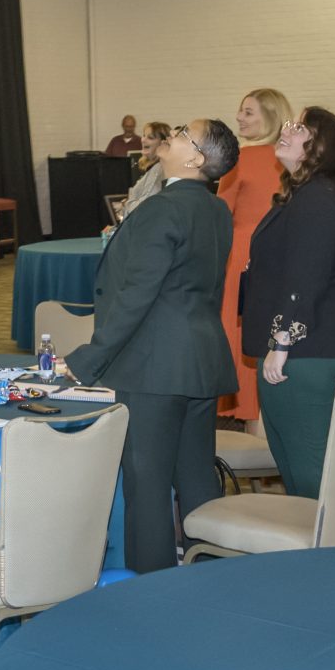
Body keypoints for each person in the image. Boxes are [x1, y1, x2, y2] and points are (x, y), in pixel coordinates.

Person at [67, 118, 237, 575]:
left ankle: (151, 588)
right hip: (200, 360)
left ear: (195, 158)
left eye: (182, 133)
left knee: (147, 486)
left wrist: (89, 358)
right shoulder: (216, 209)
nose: (171, 135)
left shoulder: (164, 209)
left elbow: (135, 296)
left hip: (153, 365)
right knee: (196, 476)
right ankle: (210, 571)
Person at [239, 108, 335, 499]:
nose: (286, 131)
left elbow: (306, 279)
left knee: (311, 474)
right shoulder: (303, 195)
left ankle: (326, 539)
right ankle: (309, 535)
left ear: (321, 146)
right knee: (296, 469)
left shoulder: (317, 197)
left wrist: (282, 342)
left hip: (305, 350)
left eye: (299, 128)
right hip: (303, 347)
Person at [216, 89, 290, 419]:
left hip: (240, 255)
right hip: (282, 254)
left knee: (238, 329)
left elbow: (220, 214)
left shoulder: (240, 160)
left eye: (248, 112)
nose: (239, 117)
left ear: (270, 117)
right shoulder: (293, 159)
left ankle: (241, 404)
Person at [121, 123, 171, 215]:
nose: (143, 140)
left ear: (163, 143)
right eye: (144, 136)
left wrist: (126, 204)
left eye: (150, 138)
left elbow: (144, 206)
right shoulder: (155, 168)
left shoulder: (158, 169)